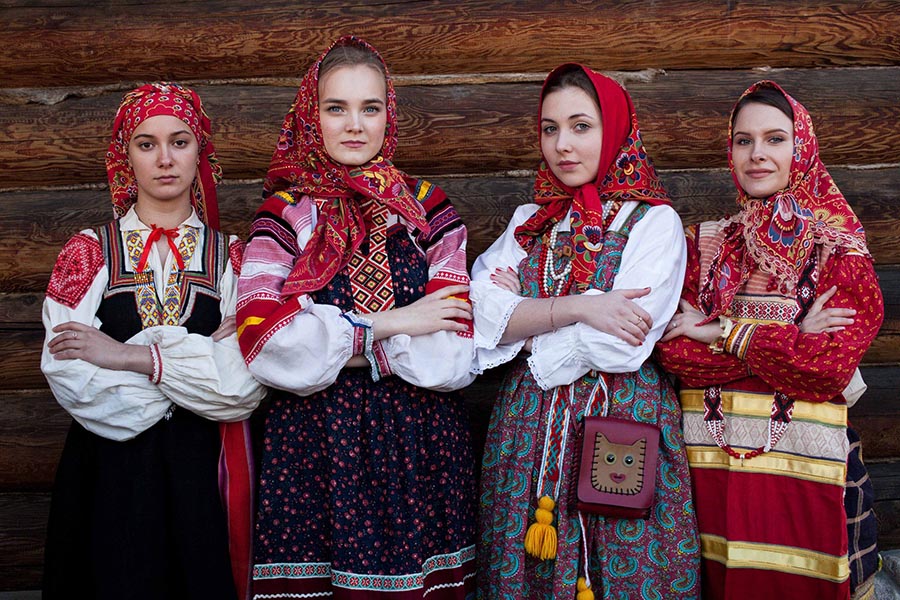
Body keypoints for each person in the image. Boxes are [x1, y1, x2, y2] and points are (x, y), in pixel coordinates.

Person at [235, 36, 477, 599]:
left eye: (370, 108)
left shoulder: (429, 210)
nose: (354, 125)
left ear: (389, 115)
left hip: (420, 446)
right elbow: (264, 340)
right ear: (309, 114)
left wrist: (328, 333)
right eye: (335, 108)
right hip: (315, 448)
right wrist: (392, 324)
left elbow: (451, 350)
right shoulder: (285, 213)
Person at [471, 64, 700, 600]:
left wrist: (522, 322)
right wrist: (582, 305)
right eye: (550, 129)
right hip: (527, 435)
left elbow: (622, 344)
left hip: (621, 427)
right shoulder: (533, 220)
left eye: (581, 126)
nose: (562, 145)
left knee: (623, 568)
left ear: (615, 128)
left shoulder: (653, 223)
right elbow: (478, 315)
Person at [656, 80, 883, 600]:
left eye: (775, 139)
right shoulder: (706, 243)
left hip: (808, 472)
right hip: (711, 472)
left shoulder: (839, 249)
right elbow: (675, 353)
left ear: (801, 147)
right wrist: (793, 338)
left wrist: (721, 331)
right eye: (743, 140)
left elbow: (826, 370)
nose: (757, 154)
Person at [41, 82, 266, 599]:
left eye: (179, 141)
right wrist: (194, 371)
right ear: (126, 157)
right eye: (146, 144)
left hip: (201, 477)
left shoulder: (234, 259)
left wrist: (126, 356)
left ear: (200, 151)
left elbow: (243, 386)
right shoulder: (88, 253)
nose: (164, 159)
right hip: (109, 474)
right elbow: (68, 372)